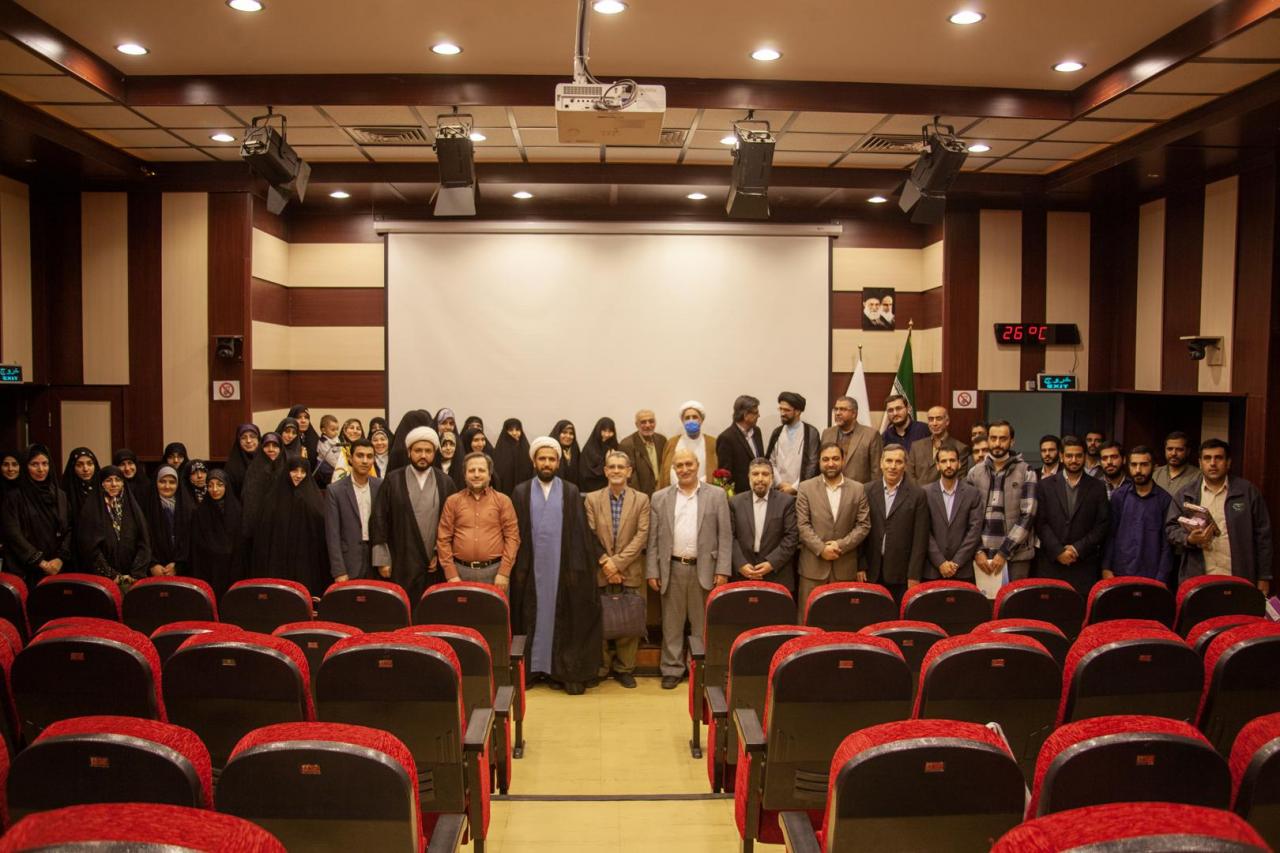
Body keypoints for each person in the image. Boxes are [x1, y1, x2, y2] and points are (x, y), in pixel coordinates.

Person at [510, 437, 603, 695]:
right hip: (530, 571)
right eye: (542, 458)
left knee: (564, 617)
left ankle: (558, 670)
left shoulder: (570, 491)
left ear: (558, 463)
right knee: (529, 615)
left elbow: (579, 534)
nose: (547, 463)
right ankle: (532, 669)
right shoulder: (521, 491)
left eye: (551, 459)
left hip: (563, 570)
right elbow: (516, 532)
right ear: (534, 461)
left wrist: (575, 569)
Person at [646, 447, 731, 689]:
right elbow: (653, 539)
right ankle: (672, 668)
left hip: (704, 569)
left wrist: (722, 570)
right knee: (671, 624)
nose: (684, 469)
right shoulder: (660, 498)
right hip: (671, 568)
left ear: (698, 465)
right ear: (673, 469)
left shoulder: (716, 495)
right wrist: (652, 571)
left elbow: (725, 536)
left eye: (689, 464)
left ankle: (700, 670)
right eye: (679, 465)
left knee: (701, 625)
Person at [1165, 438, 1272, 594]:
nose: (1213, 463)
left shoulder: (1247, 492)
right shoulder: (1186, 494)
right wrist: (1189, 539)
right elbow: (1171, 528)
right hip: (1198, 579)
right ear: (1200, 463)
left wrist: (1264, 577)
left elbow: (1263, 537)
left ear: (1228, 462)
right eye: (1207, 458)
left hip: (1239, 576)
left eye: (1219, 458)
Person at [584, 449, 651, 688]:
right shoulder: (592, 499)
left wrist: (618, 563)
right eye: (611, 467)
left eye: (620, 467)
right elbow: (589, 534)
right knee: (600, 620)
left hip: (630, 570)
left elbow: (642, 536)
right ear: (605, 471)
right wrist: (606, 563)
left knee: (629, 620)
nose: (616, 471)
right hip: (600, 569)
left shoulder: (641, 500)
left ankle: (625, 668)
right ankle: (601, 667)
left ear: (629, 471)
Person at [370, 426, 457, 601]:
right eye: (418, 450)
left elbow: (452, 523)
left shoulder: (445, 482)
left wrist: (439, 554)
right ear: (409, 452)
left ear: (434, 453)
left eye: (428, 451)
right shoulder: (393, 480)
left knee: (430, 608)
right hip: (400, 560)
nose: (423, 455)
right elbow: (379, 519)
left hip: (433, 563)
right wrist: (382, 560)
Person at [795, 442, 871, 617]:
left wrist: (840, 545)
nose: (831, 463)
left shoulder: (858, 489)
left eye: (835, 459)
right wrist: (822, 549)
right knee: (808, 619)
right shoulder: (806, 488)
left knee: (841, 620)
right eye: (826, 459)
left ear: (843, 460)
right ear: (819, 462)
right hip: (812, 569)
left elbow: (863, 525)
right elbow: (802, 525)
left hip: (844, 567)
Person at [966, 420, 1038, 596]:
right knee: (982, 606)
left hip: (1016, 556)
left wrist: (1004, 551)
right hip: (982, 555)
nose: (997, 443)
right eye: (993, 438)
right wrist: (977, 551)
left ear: (1012, 441)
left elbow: (1028, 514)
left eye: (1003, 439)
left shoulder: (1026, 471)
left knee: (1014, 604)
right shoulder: (974, 473)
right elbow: (966, 517)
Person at [1033, 436, 1110, 596]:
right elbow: (1040, 523)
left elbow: (1102, 525)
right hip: (1051, 563)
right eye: (1069, 456)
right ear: (1061, 456)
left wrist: (1077, 548)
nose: (1074, 460)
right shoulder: (1044, 486)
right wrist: (1058, 551)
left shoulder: (1097, 487)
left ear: (1085, 456)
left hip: (1084, 564)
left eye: (1078, 456)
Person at [436, 452, 519, 586]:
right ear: (464, 475)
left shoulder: (503, 501)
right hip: (460, 573)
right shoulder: (452, 502)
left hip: (495, 573)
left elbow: (512, 537)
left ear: (489, 475)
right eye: (471, 470)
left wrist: (504, 572)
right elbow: (443, 539)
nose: (476, 474)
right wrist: (451, 574)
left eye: (481, 470)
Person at [250, 458, 329, 594]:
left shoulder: (314, 498)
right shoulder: (273, 498)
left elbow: (320, 528)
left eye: (303, 472)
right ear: (287, 471)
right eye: (294, 471)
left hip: (305, 558)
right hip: (278, 556)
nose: (298, 475)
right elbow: (265, 531)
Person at [864, 446, 928, 601]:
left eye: (898, 462)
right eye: (889, 461)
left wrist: (914, 575)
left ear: (905, 465)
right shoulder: (867, 490)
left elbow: (920, 539)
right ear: (881, 463)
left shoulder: (918, 495)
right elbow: (861, 530)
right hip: (871, 571)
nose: (893, 466)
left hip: (901, 574)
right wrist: (861, 565)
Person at [1, 444, 72, 586]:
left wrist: (60, 558)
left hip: (57, 568)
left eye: (45, 464)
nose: (41, 469)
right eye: (34, 464)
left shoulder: (60, 496)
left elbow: (69, 528)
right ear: (25, 467)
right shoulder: (14, 497)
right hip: (25, 569)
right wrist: (40, 561)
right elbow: (13, 534)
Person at [1103, 446, 1173, 583]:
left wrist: (1161, 578)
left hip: (1151, 575)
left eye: (1144, 465)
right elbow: (1110, 535)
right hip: (1120, 571)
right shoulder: (1119, 496)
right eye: (1134, 465)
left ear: (1154, 467)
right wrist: (1106, 567)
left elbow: (1167, 545)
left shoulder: (1165, 500)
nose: (1138, 470)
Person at [76, 465, 154, 589]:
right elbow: (90, 547)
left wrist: (136, 573)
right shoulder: (91, 509)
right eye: (108, 480)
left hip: (133, 578)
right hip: (103, 579)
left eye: (118, 480)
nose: (114, 484)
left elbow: (144, 542)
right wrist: (111, 575)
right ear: (101, 484)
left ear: (123, 483)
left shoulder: (132, 507)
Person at [729, 458, 798, 592]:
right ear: (749, 477)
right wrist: (741, 564)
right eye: (755, 474)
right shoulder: (735, 503)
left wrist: (771, 563)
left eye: (765, 474)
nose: (760, 479)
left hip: (777, 574)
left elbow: (792, 537)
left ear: (772, 478)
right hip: (743, 574)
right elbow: (729, 537)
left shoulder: (786, 502)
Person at [923, 446, 984, 583]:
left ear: (959, 463)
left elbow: (974, 531)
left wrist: (956, 562)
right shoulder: (925, 493)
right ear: (937, 466)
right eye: (944, 461)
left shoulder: (972, 493)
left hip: (962, 569)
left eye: (952, 460)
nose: (948, 465)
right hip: (932, 570)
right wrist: (940, 562)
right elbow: (923, 531)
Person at [325, 438, 383, 582]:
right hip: (348, 562)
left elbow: (386, 526)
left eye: (369, 456)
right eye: (360, 455)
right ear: (350, 458)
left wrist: (385, 559)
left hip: (376, 561)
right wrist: (339, 570)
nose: (365, 461)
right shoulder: (335, 490)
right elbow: (332, 534)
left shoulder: (381, 486)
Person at [183, 469, 244, 600]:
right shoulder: (200, 512)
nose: (214, 489)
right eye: (210, 485)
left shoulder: (237, 510)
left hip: (232, 566)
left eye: (219, 485)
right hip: (209, 567)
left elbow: (240, 541)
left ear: (227, 486)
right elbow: (197, 544)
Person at [766, 391, 821, 496]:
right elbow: (770, 462)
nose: (782, 413)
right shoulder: (777, 432)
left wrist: (795, 487)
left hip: (803, 492)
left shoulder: (811, 433)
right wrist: (780, 484)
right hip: (779, 491)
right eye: (780, 409)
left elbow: (812, 464)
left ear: (798, 412)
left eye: (786, 410)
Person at [821, 396, 883, 484]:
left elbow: (876, 472)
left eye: (843, 409)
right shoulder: (827, 433)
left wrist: (873, 491)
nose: (837, 413)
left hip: (860, 490)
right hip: (830, 488)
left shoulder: (871, 435)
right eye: (836, 409)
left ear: (854, 413)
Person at [658, 402, 718, 487]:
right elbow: (663, 473)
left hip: (705, 491)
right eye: (687, 418)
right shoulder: (672, 443)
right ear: (682, 421)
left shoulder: (712, 442)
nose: (691, 420)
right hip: (676, 491)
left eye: (695, 417)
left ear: (701, 420)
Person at [715, 395, 765, 494]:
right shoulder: (726, 438)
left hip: (760, 491)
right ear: (745, 415)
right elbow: (725, 475)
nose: (759, 415)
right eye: (756, 413)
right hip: (740, 495)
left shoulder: (757, 431)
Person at [907, 406, 968, 485]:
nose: (934, 423)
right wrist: (918, 491)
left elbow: (958, 480)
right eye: (931, 419)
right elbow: (909, 475)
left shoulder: (960, 448)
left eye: (939, 419)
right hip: (917, 492)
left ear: (947, 421)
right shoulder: (916, 446)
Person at [141, 465, 181, 577]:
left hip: (181, 570)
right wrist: (152, 564)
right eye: (162, 481)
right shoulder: (144, 506)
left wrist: (178, 565)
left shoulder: (187, 508)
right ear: (155, 483)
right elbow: (140, 539)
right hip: (152, 570)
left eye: (172, 482)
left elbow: (191, 542)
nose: (167, 486)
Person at [618, 409, 667, 496]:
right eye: (643, 422)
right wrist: (639, 497)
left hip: (662, 491)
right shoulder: (627, 444)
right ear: (636, 424)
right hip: (640, 493)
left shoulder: (662, 440)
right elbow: (629, 476)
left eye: (651, 421)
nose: (648, 425)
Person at [60, 446, 100, 546]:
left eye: (90, 464)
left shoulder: (102, 489)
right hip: (73, 546)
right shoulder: (63, 493)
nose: (85, 469)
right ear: (72, 467)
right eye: (79, 465)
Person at [492, 419, 533, 496]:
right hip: (504, 494)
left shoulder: (526, 450)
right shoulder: (499, 452)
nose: (514, 433)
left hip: (524, 494)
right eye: (510, 430)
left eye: (517, 430)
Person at [580, 417, 620, 493]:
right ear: (598, 430)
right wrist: (607, 461)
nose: (607, 435)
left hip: (613, 490)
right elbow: (587, 473)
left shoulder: (615, 447)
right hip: (591, 491)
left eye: (610, 431)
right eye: (604, 431)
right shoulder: (589, 449)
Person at [1154, 431, 1200, 496]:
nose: (1174, 453)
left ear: (1188, 451)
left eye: (1179, 449)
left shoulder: (1198, 476)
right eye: (1170, 449)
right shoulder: (1155, 473)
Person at [223, 424, 260, 497]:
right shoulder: (231, 467)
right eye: (243, 438)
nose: (248, 441)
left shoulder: (266, 462)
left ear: (258, 439)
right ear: (238, 441)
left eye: (252, 436)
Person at [549, 420, 582, 487]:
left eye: (571, 433)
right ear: (557, 433)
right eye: (564, 432)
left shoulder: (575, 451)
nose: (568, 436)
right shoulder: (549, 451)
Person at [289, 405, 321, 469]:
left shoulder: (313, 438)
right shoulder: (287, 439)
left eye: (306, 417)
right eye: (299, 417)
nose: (303, 421)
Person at [314, 414, 343, 485]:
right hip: (325, 469)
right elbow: (330, 459)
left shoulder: (336, 438)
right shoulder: (323, 443)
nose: (336, 432)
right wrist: (340, 466)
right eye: (333, 430)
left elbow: (340, 450)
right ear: (324, 430)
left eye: (337, 429)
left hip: (336, 466)